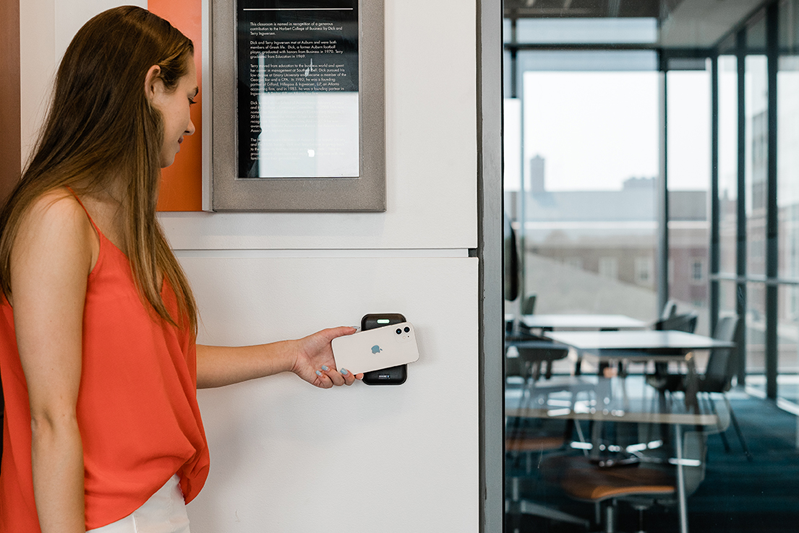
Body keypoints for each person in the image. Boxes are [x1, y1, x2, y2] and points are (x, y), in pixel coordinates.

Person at [0, 6, 360, 533]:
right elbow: (51, 420)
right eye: (187, 98)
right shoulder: (56, 219)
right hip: (100, 518)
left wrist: (290, 354)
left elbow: (160, 365)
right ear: (151, 86)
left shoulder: (124, 223)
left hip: (153, 507)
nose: (192, 122)